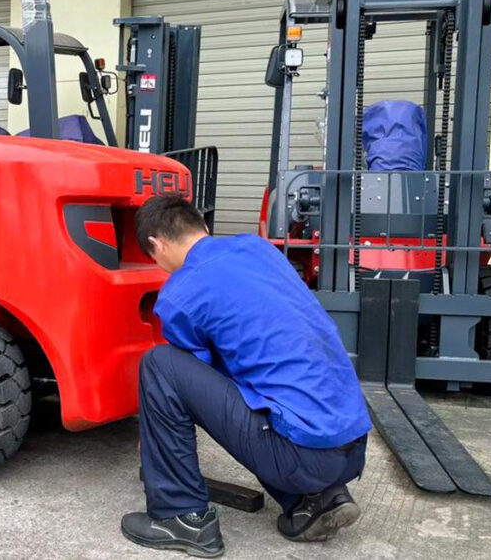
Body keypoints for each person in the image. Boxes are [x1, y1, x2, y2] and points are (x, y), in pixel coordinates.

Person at [120, 194, 371, 557]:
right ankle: (318, 500)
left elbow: (194, 380)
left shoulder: (180, 293)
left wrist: (155, 435)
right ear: (203, 227)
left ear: (156, 245)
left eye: (154, 258)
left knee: (161, 364)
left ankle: (181, 516)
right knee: (267, 380)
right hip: (351, 444)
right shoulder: (258, 249)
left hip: (302, 456)